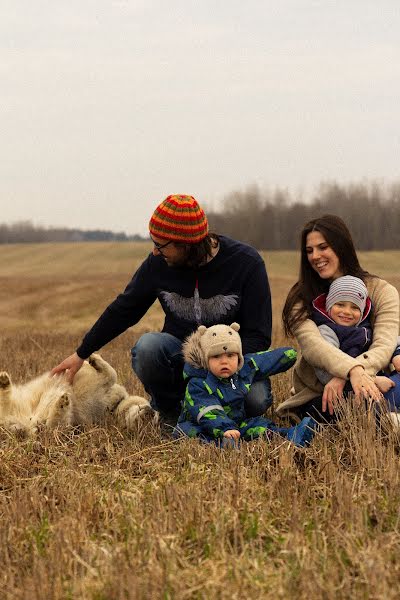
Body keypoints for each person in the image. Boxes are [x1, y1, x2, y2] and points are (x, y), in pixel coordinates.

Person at [51, 194, 273, 422]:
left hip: (233, 364)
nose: (155, 251)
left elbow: (260, 335)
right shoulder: (158, 264)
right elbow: (124, 309)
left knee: (256, 400)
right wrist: (82, 353)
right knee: (147, 348)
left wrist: (219, 363)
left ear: (186, 243)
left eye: (160, 245)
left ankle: (217, 410)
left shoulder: (247, 262)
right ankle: (171, 412)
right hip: (180, 358)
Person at [278, 214, 400, 422]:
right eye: (309, 250)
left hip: (376, 380)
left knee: (380, 393)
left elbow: (385, 342)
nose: (315, 256)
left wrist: (357, 373)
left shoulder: (382, 291)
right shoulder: (301, 298)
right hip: (322, 391)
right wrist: (350, 371)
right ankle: (386, 420)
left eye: (323, 247)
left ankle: (384, 416)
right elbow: (315, 347)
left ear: (341, 246)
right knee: (346, 403)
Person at [174, 322, 316, 447]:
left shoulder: (242, 369)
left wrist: (288, 355)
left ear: (238, 357)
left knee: (259, 425)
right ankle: (221, 445)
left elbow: (263, 360)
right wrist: (225, 429)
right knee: (188, 433)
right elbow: (208, 411)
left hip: (235, 423)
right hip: (204, 425)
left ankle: (290, 435)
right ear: (205, 359)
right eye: (216, 356)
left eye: (230, 356)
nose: (224, 361)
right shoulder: (198, 383)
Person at [310, 274, 400, 416]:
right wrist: (373, 381)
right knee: (367, 405)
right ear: (329, 305)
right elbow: (326, 371)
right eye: (340, 304)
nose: (347, 312)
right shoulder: (326, 332)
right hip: (343, 391)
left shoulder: (365, 327)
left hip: (378, 383)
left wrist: (396, 353)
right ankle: (389, 419)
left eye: (354, 307)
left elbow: (388, 340)